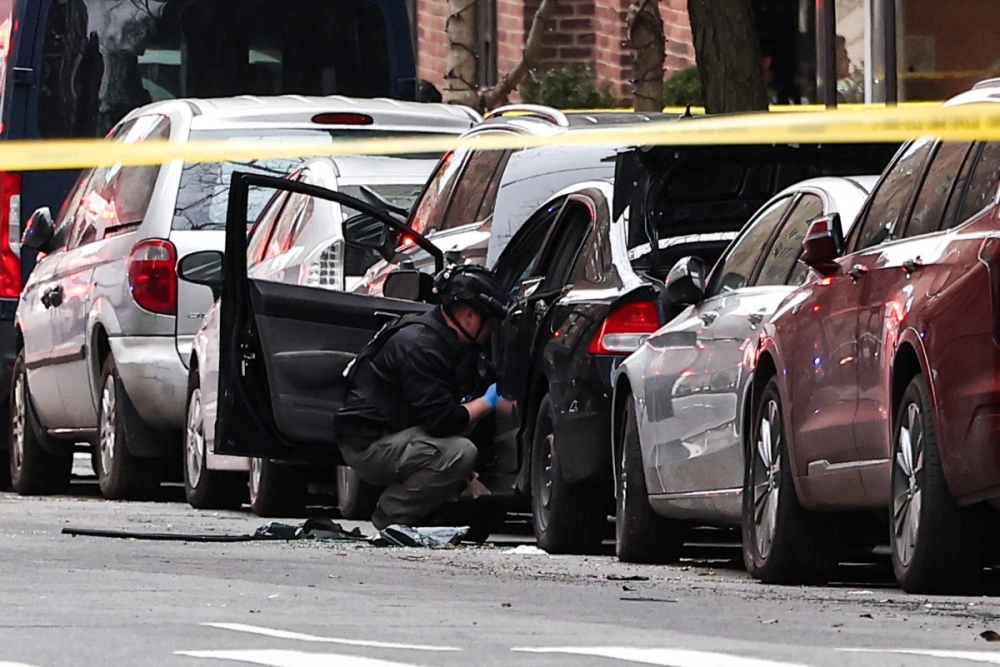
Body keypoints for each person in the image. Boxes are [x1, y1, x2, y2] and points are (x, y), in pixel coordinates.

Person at [335, 265, 508, 535]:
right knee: (459, 452)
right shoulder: (421, 345)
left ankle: (428, 505)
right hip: (370, 444)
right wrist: (491, 400)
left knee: (463, 439)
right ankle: (392, 514)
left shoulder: (448, 339)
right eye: (491, 322)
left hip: (397, 431)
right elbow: (441, 421)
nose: (493, 330)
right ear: (470, 315)